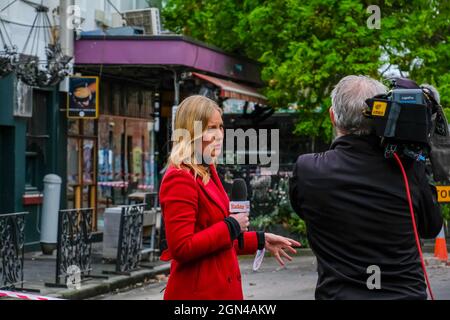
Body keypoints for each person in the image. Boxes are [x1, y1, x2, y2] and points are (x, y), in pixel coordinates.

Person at [289, 75, 443, 300]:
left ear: (333, 117)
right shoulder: (407, 168)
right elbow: (431, 227)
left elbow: (304, 211)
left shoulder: (308, 169)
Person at [159, 95, 300, 300]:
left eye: (220, 127)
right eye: (210, 128)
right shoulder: (180, 177)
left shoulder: (208, 172)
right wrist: (232, 225)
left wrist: (260, 240)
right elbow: (182, 248)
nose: (218, 135)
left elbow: (218, 241)